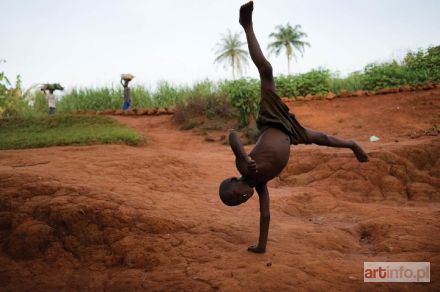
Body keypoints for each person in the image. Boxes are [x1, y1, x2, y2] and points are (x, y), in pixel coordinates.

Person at [219, 1, 369, 254]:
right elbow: (265, 216)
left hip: (273, 122)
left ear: (235, 180)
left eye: (235, 195)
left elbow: (232, 136)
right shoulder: (261, 184)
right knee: (321, 137)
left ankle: (247, 25)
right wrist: (261, 247)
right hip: (290, 134)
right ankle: (352, 144)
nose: (242, 198)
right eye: (238, 203)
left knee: (266, 70)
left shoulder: (244, 168)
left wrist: (243, 156)